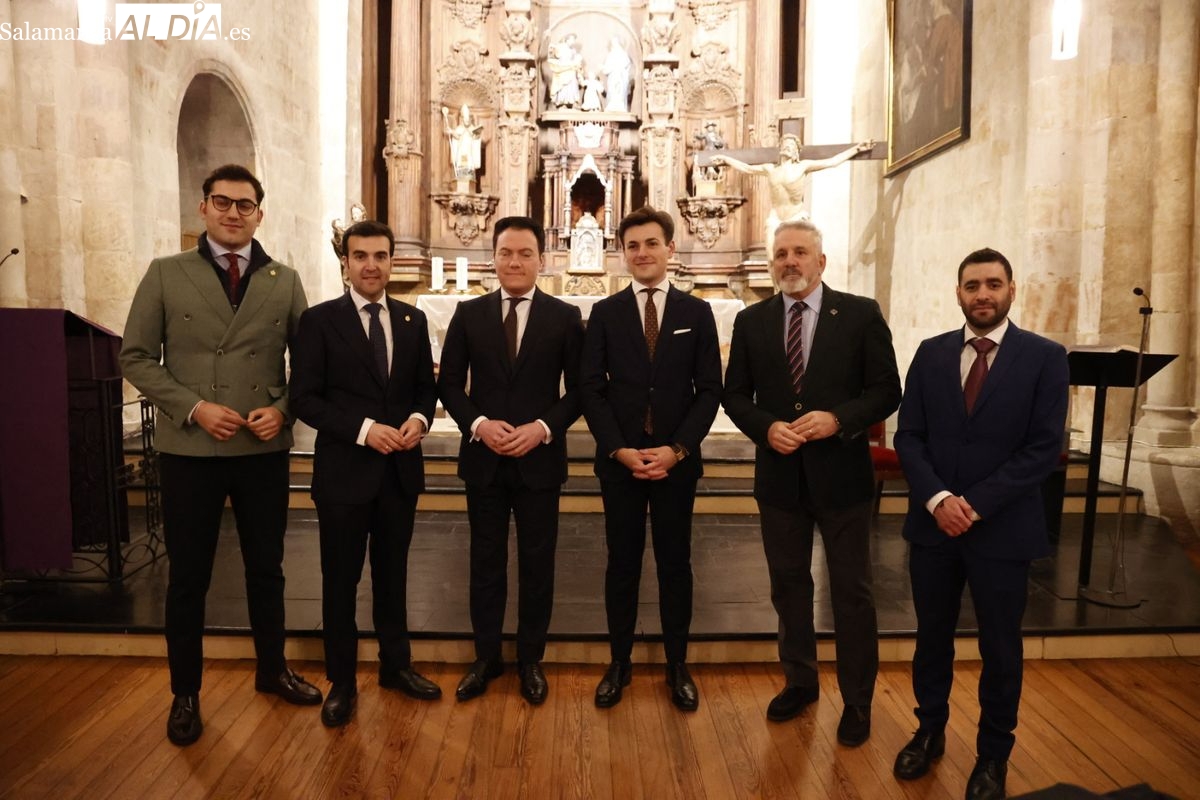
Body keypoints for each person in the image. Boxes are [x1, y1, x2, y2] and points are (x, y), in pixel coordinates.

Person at [120, 164, 322, 747]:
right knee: (188, 577)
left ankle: (272, 669)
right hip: (190, 448)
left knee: (267, 568)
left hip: (261, 448)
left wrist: (283, 409)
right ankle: (185, 693)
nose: (234, 213)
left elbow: (309, 364)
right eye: (223, 202)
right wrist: (194, 407)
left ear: (260, 213)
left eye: (245, 204)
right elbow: (135, 357)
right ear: (203, 207)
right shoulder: (166, 273)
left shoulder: (284, 279)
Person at [891, 248, 1068, 800]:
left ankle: (993, 755)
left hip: (1002, 528)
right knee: (931, 638)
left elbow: (1043, 448)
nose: (982, 294)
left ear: (1012, 289)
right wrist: (939, 499)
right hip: (934, 527)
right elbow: (908, 435)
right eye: (972, 285)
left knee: (1001, 647)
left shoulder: (1045, 357)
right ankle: (929, 730)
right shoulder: (931, 352)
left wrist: (973, 504)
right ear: (959, 293)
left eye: (993, 284)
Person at [722, 219, 901, 747]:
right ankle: (800, 681)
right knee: (789, 588)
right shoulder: (752, 321)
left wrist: (839, 419)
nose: (790, 262)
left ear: (821, 261)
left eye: (800, 252)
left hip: (842, 477)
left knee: (852, 592)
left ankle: (858, 700)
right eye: (781, 254)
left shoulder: (860, 314)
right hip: (780, 480)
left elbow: (886, 389)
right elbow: (735, 396)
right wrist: (765, 427)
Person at [289, 219, 441, 728]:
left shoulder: (412, 320)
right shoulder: (318, 321)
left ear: (392, 261)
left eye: (380, 256)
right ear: (346, 263)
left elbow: (425, 388)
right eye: (360, 256)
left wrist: (419, 420)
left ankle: (396, 666)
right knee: (340, 581)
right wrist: (364, 430)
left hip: (399, 472)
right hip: (344, 474)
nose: (371, 265)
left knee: (393, 577)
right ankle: (342, 682)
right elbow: (304, 398)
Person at [580, 206, 722, 712]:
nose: (642, 253)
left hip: (674, 462)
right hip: (620, 461)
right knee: (621, 563)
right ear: (623, 253)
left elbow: (709, 390)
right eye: (633, 245)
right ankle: (619, 661)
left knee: (675, 563)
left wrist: (677, 450)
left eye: (651, 243)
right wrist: (618, 449)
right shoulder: (605, 313)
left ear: (670, 249)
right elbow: (590, 388)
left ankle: (677, 664)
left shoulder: (696, 313)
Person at [437, 216, 584, 706]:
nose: (514, 262)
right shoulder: (469, 313)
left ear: (541, 260)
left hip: (539, 458)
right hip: (485, 458)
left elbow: (580, 390)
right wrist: (479, 424)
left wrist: (542, 428)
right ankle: (486, 658)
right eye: (506, 253)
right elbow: (449, 384)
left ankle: (530, 659)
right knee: (485, 561)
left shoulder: (565, 316)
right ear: (494, 258)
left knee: (538, 564)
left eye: (524, 253)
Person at [710, 136, 873, 253]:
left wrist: (857, 149)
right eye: (785, 144)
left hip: (795, 216)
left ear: (796, 152)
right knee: (772, 259)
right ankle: (778, 291)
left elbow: (832, 162)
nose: (787, 147)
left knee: (798, 256)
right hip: (776, 218)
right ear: (780, 149)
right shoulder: (770, 169)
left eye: (791, 146)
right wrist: (726, 158)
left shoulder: (803, 166)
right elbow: (747, 168)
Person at [441, 103, 483, 175]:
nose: (466, 121)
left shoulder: (472, 128)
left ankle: (469, 175)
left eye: (468, 120)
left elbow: (475, 138)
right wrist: (451, 131)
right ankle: (462, 175)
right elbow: (457, 136)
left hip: (469, 150)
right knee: (462, 163)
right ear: (462, 119)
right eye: (465, 120)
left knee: (469, 163)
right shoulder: (459, 128)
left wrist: (477, 134)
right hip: (462, 149)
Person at [547, 33, 582, 108]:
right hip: (562, 69)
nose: (573, 42)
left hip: (571, 69)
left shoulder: (573, 50)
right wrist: (551, 48)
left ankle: (572, 102)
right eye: (572, 39)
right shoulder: (560, 47)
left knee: (572, 85)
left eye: (574, 40)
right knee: (563, 86)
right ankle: (562, 103)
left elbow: (575, 60)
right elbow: (553, 54)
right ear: (567, 39)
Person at [600, 36, 633, 112]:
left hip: (620, 77)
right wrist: (604, 68)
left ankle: (619, 105)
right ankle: (612, 105)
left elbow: (626, 65)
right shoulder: (611, 54)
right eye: (612, 42)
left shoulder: (623, 54)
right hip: (612, 77)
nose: (613, 44)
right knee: (612, 91)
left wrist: (615, 68)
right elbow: (607, 68)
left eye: (615, 42)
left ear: (618, 42)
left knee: (619, 90)